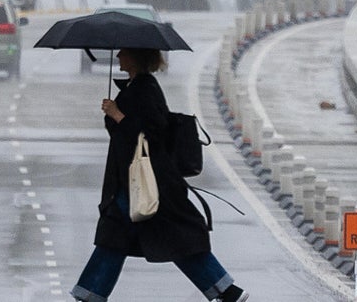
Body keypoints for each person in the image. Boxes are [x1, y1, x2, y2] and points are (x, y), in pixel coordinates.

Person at [72, 47, 249, 302]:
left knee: (170, 238)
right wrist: (114, 114)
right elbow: (126, 133)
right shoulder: (135, 86)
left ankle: (227, 290)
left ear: (135, 56)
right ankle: (91, 294)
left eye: (124, 52)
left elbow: (153, 132)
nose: (119, 55)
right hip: (132, 180)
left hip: (150, 181)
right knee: (118, 237)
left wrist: (118, 115)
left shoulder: (146, 88)